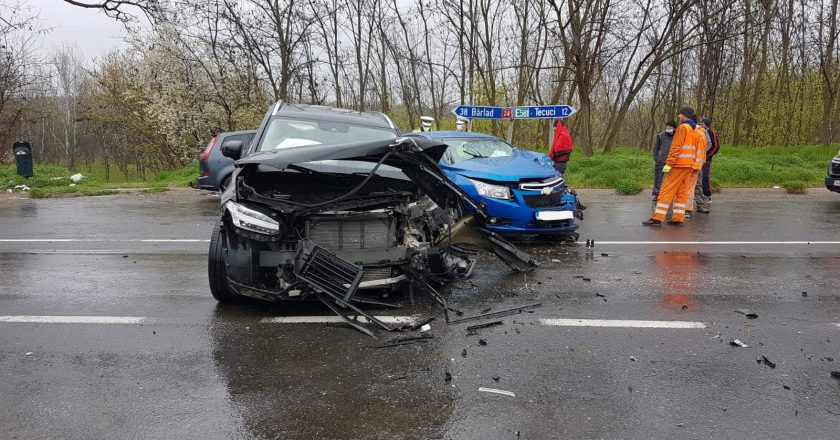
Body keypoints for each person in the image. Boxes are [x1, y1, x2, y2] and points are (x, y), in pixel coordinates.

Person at [643, 107, 699, 227]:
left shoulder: (683, 128)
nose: (679, 116)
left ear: (685, 115)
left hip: (679, 164)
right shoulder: (694, 129)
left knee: (665, 191)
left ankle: (657, 218)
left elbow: (676, 147)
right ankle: (678, 218)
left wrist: (669, 164)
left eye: (680, 114)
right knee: (681, 192)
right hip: (689, 165)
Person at [686, 121, 709, 215]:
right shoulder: (687, 131)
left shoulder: (703, 133)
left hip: (697, 164)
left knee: (697, 185)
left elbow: (708, 145)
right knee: (686, 187)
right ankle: (685, 208)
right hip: (688, 163)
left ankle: (699, 205)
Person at [652, 121, 677, 200]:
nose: (668, 128)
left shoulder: (678, 136)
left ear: (674, 128)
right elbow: (656, 148)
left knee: (672, 180)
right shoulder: (661, 135)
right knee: (658, 179)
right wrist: (656, 158)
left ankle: (669, 194)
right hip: (661, 161)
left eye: (670, 126)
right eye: (667, 126)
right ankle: (656, 194)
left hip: (673, 162)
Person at [700, 118, 719, 198]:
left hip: (707, 158)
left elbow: (716, 146)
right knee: (698, 176)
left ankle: (707, 194)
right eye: (700, 124)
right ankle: (699, 194)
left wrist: (708, 155)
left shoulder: (712, 133)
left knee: (705, 176)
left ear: (706, 125)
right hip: (699, 157)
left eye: (703, 124)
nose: (701, 125)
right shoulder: (699, 131)